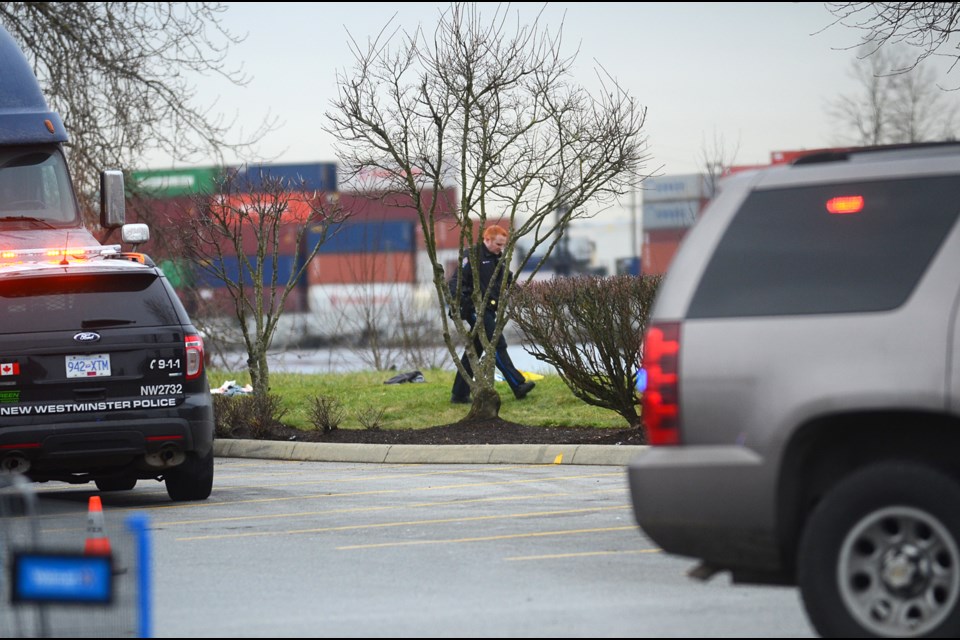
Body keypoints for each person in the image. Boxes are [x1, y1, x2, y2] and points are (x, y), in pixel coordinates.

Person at [449, 224, 536, 404]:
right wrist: (464, 305)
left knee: (475, 350)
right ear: (487, 240)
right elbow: (455, 282)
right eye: (498, 244)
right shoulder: (471, 256)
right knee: (496, 344)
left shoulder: (498, 258)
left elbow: (506, 278)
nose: (501, 248)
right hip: (475, 309)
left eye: (503, 245)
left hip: (489, 308)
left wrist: (523, 297)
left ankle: (459, 394)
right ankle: (517, 385)